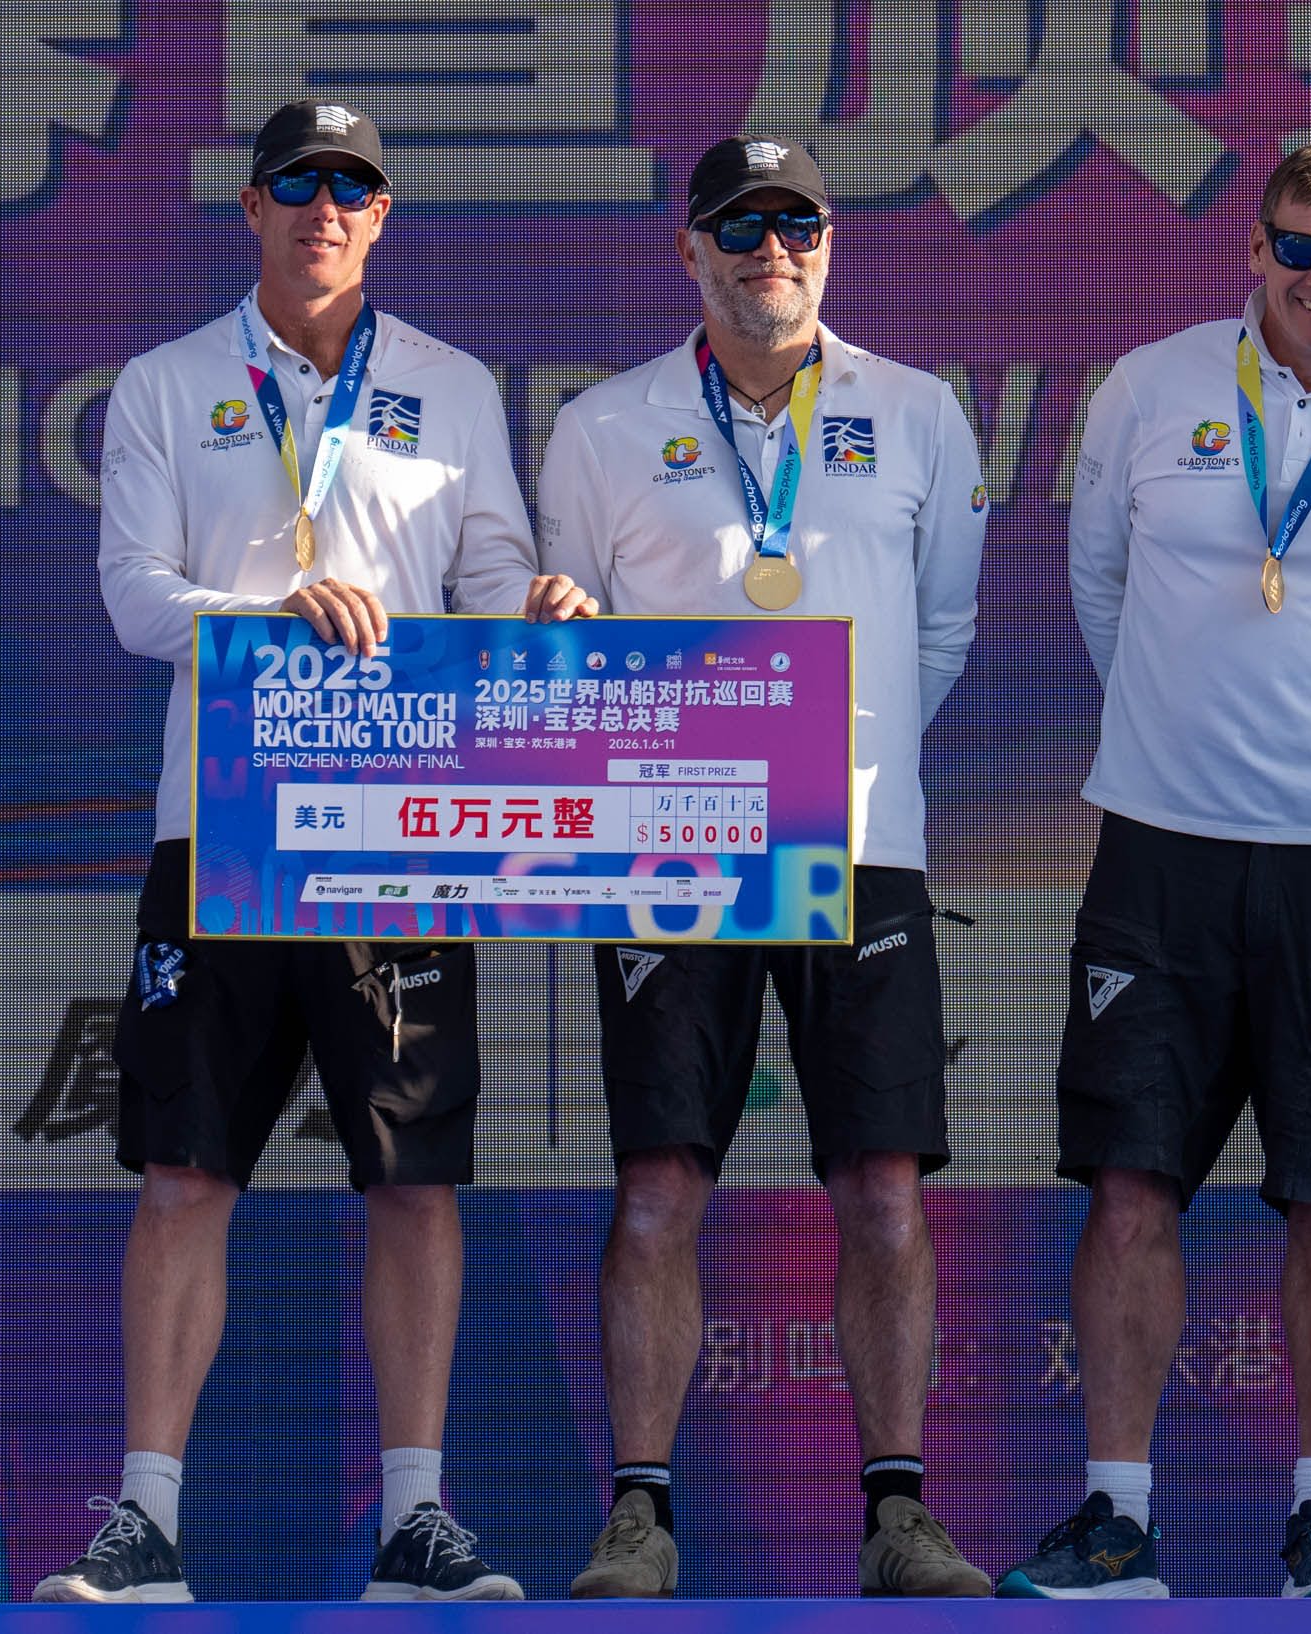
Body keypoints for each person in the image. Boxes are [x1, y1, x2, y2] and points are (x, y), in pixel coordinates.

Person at [33, 100, 593, 1604]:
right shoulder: (164, 384)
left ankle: (417, 1516)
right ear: (254, 206)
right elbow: (135, 601)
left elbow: (483, 579)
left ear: (383, 215)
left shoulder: (453, 386)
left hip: (398, 826)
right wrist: (266, 615)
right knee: (183, 1170)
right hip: (217, 826)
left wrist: (528, 611)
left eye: (352, 188)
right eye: (300, 185)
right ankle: (146, 1515)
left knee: (412, 1175)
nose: (324, 209)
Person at [997, 142, 1311, 1601]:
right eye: (1298, 247)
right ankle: (1118, 1517)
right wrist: (1179, 746)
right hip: (1160, 846)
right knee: (1133, 1187)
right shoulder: (1146, 388)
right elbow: (1100, 587)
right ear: (1252, 246)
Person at [534, 136, 989, 1598]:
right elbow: (575, 645)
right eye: (741, 225)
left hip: (860, 850)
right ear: (692, 249)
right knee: (660, 1183)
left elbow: (940, 637)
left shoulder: (917, 415)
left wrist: (826, 769)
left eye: (795, 223)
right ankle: (640, 1515)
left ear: (830, 242)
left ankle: (899, 1515)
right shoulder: (603, 426)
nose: (769, 248)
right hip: (672, 849)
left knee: (882, 1190)